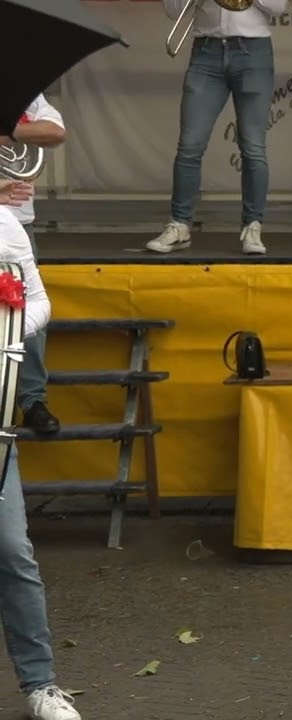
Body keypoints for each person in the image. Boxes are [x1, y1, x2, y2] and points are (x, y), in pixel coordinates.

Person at [0, 189, 78, 720]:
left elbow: (41, 301)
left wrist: (7, 325)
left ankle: (41, 684)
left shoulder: (6, 223)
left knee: (12, 550)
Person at [149, 0, 286, 255]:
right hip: (206, 52)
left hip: (253, 51)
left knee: (253, 146)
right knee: (190, 145)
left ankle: (252, 226)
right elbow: (172, 12)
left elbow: (278, 8)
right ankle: (180, 225)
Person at [0, 95, 64, 434]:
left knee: (27, 310)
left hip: (18, 225)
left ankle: (31, 399)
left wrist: (9, 132)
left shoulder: (25, 93)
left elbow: (55, 133)